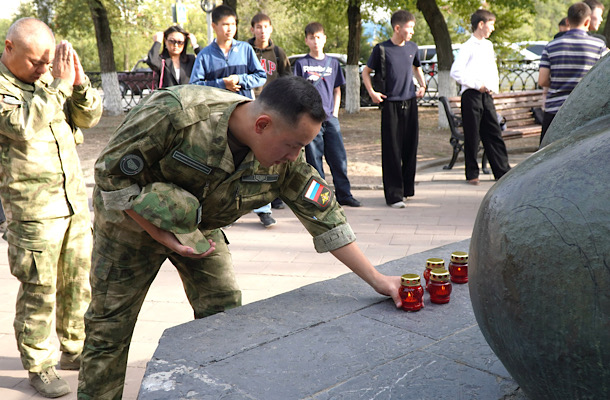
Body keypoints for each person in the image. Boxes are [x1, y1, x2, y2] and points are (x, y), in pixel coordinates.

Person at [76, 76, 403, 398]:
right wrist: (160, 234)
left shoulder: (286, 162)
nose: (294, 156)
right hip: (130, 225)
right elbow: (110, 173)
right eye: (293, 145)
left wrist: (378, 280)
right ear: (262, 124)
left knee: (224, 313)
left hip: (201, 230)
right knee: (110, 327)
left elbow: (326, 218)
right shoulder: (178, 113)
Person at [0, 18, 102, 397]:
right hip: (33, 211)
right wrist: (58, 84)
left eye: (48, 62)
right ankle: (39, 365)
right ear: (9, 48)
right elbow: (22, 124)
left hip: (73, 202)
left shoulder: (49, 81)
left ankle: (74, 350)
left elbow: (89, 118)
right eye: (35, 62)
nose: (43, 69)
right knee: (39, 290)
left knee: (78, 284)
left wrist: (77, 83)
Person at [190, 5, 274, 227]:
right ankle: (223, 213)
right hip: (217, 119)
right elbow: (195, 86)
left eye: (233, 24)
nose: (229, 29)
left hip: (247, 114)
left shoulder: (245, 49)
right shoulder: (205, 55)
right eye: (225, 24)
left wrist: (241, 80)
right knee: (222, 164)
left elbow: (261, 76)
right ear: (214, 26)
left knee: (254, 160)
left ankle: (263, 209)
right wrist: (221, 84)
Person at [362, 10, 426, 208]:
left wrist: (422, 86)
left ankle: (407, 189)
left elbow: (417, 68)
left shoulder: (413, 48)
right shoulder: (381, 49)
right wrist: (372, 92)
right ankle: (394, 196)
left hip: (410, 103)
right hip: (390, 105)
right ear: (398, 28)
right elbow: (366, 71)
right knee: (392, 150)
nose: (412, 32)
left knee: (409, 147)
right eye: (410, 28)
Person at [293, 22, 361, 208]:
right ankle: (320, 199)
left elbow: (337, 90)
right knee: (314, 162)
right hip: (311, 121)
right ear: (306, 40)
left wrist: (336, 113)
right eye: (312, 37)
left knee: (338, 158)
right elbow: (297, 93)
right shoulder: (301, 64)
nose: (316, 41)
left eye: (319, 37)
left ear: (324, 39)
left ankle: (345, 194)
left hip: (330, 119)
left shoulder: (333, 63)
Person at [449, 9, 511, 185]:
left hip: (486, 95)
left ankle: (502, 170)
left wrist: (492, 87)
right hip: (471, 96)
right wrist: (477, 84)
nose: (492, 28)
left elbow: (492, 69)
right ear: (481, 24)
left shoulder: (488, 45)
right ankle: (472, 173)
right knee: (472, 135)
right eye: (490, 24)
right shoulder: (468, 46)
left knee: (493, 131)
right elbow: (456, 72)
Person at [538, 2, 607, 142]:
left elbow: (542, 80)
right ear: (588, 21)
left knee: (547, 156)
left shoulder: (550, 46)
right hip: (585, 111)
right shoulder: (598, 46)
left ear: (568, 21)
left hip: (555, 111)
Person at [248, 12, 292, 211]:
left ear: (271, 29)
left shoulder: (278, 53)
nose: (262, 31)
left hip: (273, 110)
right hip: (250, 108)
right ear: (252, 29)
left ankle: (274, 195)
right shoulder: (245, 49)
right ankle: (251, 197)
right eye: (258, 27)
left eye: (266, 27)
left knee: (273, 152)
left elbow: (287, 80)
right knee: (250, 154)